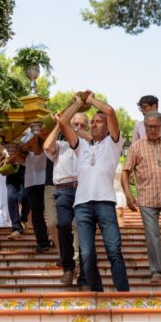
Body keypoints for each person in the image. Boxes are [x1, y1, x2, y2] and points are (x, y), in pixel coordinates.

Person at [57, 91, 130, 292]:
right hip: (82, 205)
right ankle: (97, 291)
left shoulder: (113, 143)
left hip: (105, 202)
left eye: (99, 122)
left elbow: (110, 111)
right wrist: (78, 103)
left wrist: (90, 100)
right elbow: (63, 122)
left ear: (107, 127)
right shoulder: (81, 146)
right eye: (93, 122)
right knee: (87, 253)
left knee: (113, 250)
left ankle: (123, 293)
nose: (94, 124)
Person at [123, 110, 161, 284]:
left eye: (156, 127)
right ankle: (157, 271)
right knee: (152, 235)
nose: (152, 130)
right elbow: (126, 172)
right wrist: (128, 196)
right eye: (149, 127)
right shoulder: (136, 147)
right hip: (147, 198)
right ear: (144, 126)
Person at [44, 112, 90, 286]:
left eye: (82, 125)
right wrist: (60, 124)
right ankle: (68, 267)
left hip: (84, 189)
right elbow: (47, 146)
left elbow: (90, 137)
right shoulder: (60, 145)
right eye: (75, 123)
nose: (78, 127)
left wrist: (72, 129)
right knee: (62, 225)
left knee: (84, 229)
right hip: (63, 190)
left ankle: (84, 273)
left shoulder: (90, 144)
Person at [22, 131, 52, 252]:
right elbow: (21, 160)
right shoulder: (24, 138)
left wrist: (35, 138)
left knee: (51, 213)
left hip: (45, 180)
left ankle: (56, 239)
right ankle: (42, 241)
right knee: (36, 214)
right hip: (31, 181)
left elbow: (37, 152)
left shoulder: (46, 137)